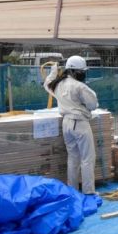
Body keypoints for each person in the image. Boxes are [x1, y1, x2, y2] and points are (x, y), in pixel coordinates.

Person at [44, 55, 99, 195]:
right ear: (74, 71)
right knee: (87, 158)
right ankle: (88, 192)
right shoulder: (80, 87)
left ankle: (72, 190)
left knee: (73, 157)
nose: (83, 74)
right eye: (81, 72)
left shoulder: (57, 84)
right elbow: (93, 105)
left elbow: (47, 83)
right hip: (80, 124)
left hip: (66, 124)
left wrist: (53, 71)